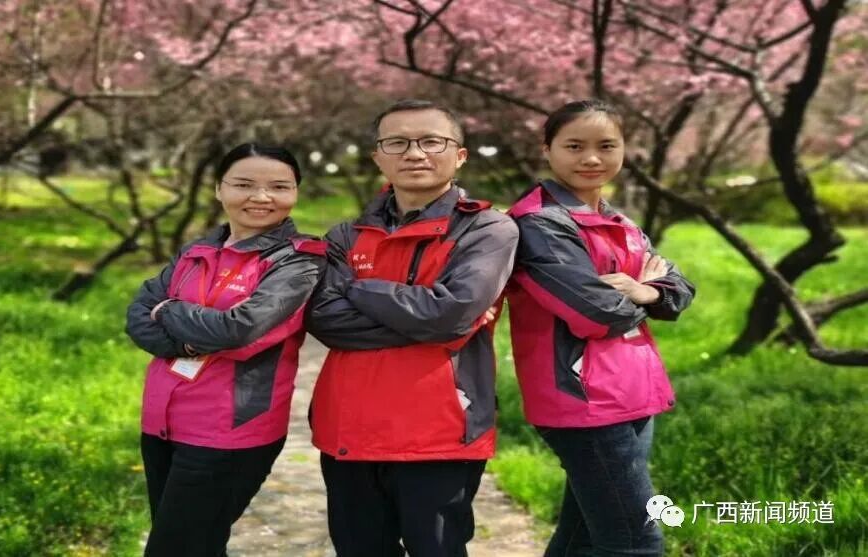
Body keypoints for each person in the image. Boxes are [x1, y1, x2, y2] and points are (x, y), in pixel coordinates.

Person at [306, 99, 519, 557]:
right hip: (349, 427)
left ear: (459, 155)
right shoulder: (345, 235)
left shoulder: (487, 229)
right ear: (377, 156)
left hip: (439, 430)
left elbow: (450, 314)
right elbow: (325, 319)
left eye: (431, 141)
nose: (415, 153)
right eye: (398, 143)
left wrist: (358, 290)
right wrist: (432, 319)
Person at [505, 99, 696, 557]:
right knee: (636, 540)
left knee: (583, 537)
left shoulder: (618, 221)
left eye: (607, 146)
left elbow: (679, 288)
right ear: (547, 150)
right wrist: (644, 292)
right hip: (583, 399)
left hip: (633, 390)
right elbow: (595, 314)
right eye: (574, 146)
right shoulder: (539, 224)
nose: (592, 158)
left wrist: (646, 291)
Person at [124, 143, 326, 557]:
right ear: (219, 189)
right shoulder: (197, 251)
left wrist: (169, 311)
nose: (261, 197)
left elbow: (240, 328)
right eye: (244, 184)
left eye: (279, 187)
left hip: (229, 429)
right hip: (163, 420)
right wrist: (190, 337)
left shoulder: (298, 261)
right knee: (197, 545)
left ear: (295, 192)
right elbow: (138, 316)